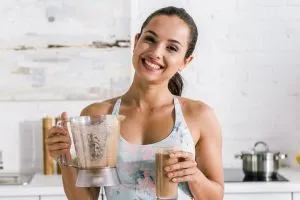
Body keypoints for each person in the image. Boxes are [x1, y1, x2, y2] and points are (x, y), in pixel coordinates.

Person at [46, 6, 224, 200]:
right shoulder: (99, 115)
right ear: (136, 41)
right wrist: (64, 157)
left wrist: (194, 176)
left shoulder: (199, 116)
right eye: (150, 39)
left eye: (171, 47)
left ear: (185, 61)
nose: (156, 52)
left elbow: (216, 196)